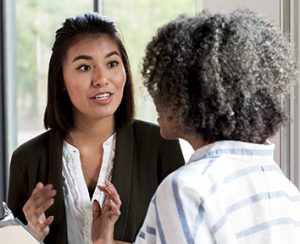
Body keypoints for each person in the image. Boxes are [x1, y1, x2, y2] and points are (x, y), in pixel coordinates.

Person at [95, 9, 300, 244]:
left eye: (165, 85)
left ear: (192, 96)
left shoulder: (186, 190)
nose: (154, 96)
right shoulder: (284, 190)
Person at [7, 12, 184, 244]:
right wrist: (32, 236)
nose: (101, 78)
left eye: (112, 63)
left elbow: (184, 237)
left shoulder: (160, 145)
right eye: (84, 67)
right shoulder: (27, 159)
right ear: (60, 79)